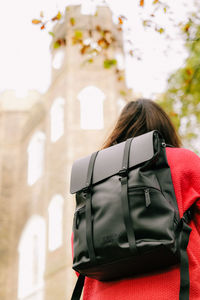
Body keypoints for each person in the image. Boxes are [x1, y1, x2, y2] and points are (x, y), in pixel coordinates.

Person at [73, 98, 200, 300]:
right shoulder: (184, 160)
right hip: (175, 292)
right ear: (165, 129)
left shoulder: (93, 176)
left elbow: (79, 252)